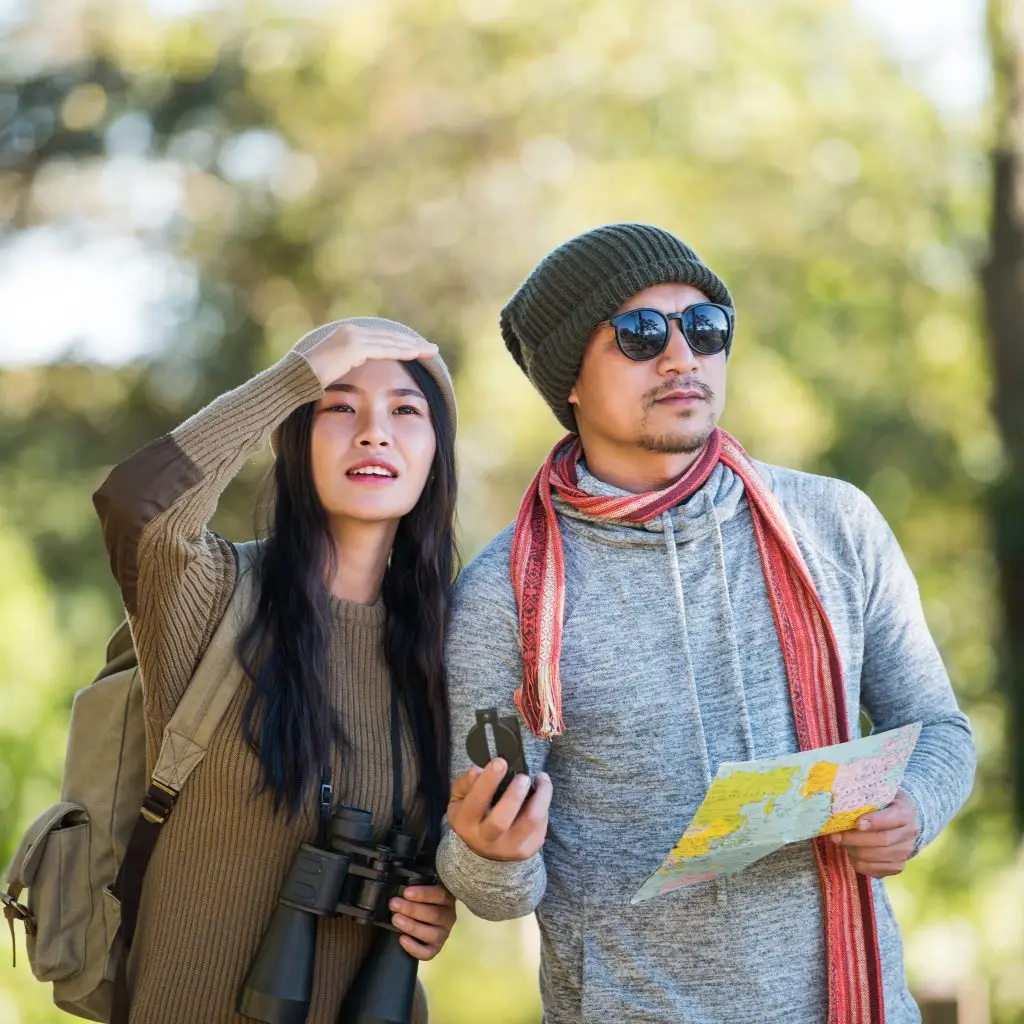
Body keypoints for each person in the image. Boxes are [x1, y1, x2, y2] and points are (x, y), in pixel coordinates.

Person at [436, 224, 976, 1023]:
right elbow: (490, 888)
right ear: (569, 378)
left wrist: (915, 808)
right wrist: (491, 853)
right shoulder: (508, 595)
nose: (682, 357)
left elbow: (940, 730)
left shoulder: (834, 524)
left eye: (706, 327)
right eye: (640, 333)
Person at [93, 317, 459, 1023]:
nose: (374, 433)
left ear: (437, 454)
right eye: (339, 406)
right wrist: (297, 374)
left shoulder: (449, 647)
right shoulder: (215, 598)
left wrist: (435, 905)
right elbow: (136, 506)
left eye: (406, 411)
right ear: (293, 439)